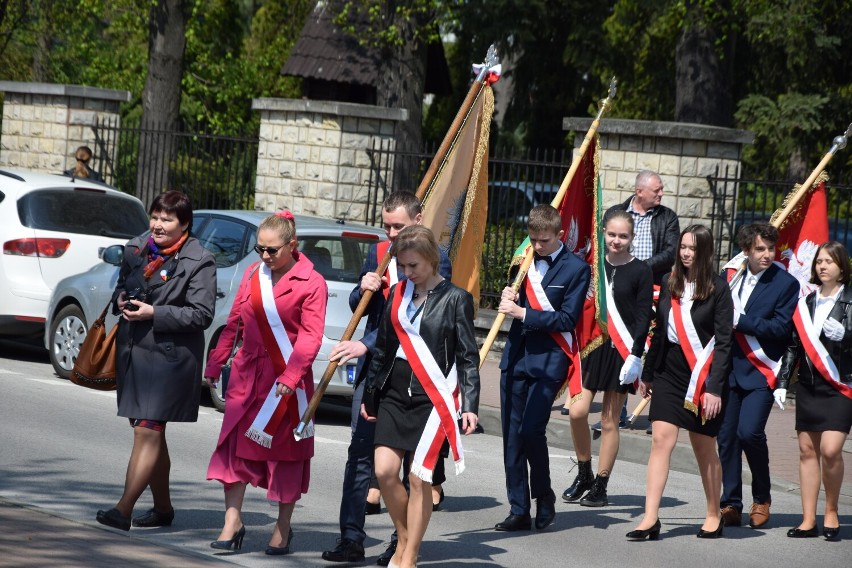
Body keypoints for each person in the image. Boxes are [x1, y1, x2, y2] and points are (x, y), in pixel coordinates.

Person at [322, 191, 452, 565]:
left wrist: (364, 344)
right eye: (387, 225)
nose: (391, 234)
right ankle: (351, 537)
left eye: (399, 226)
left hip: (413, 374)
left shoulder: (434, 258)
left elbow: (420, 323)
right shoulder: (379, 254)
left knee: (410, 467)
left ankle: (403, 541)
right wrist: (362, 289)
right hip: (374, 374)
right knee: (361, 453)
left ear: (418, 218)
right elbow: (363, 308)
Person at [202, 211, 327, 554]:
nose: (265, 257)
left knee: (286, 456)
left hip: (287, 381)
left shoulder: (312, 282)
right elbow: (235, 321)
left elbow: (311, 338)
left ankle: (283, 527)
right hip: (247, 374)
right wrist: (216, 362)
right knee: (233, 450)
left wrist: (290, 376)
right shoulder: (254, 274)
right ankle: (232, 522)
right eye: (260, 249)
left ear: (292, 245)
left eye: (272, 250)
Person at [95, 190, 216, 531]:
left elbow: (201, 314)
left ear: (185, 224)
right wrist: (122, 301)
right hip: (134, 351)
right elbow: (123, 286)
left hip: (171, 359)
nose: (158, 225)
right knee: (149, 432)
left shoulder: (200, 260)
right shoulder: (137, 248)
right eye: (155, 217)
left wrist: (154, 312)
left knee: (148, 431)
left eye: (167, 220)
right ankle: (163, 509)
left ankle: (123, 509)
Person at [360, 225, 480, 568]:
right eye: (403, 266)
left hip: (433, 397)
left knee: (418, 477)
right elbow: (382, 350)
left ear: (430, 260)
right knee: (384, 472)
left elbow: (468, 357)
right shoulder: (397, 293)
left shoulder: (457, 299)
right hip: (395, 393)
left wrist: (470, 406)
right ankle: (406, 536)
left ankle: (408, 555)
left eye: (413, 265)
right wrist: (371, 396)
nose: (407, 272)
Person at [626, 224, 733, 540]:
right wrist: (647, 374)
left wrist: (714, 389)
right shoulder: (668, 281)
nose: (686, 253)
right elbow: (659, 332)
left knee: (703, 448)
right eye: (683, 247)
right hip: (669, 372)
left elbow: (725, 342)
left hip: (702, 375)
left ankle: (714, 512)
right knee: (661, 440)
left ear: (705, 252)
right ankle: (650, 518)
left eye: (693, 249)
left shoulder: (718, 288)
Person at [496, 204, 591, 532]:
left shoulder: (577, 269)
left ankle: (544, 495)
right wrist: (508, 295)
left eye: (544, 241)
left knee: (531, 430)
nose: (537, 246)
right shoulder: (524, 261)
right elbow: (515, 299)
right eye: (533, 239)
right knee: (511, 437)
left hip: (549, 359)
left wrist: (523, 314)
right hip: (516, 356)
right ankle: (519, 508)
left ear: (560, 235)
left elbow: (567, 318)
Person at [563, 211, 653, 506]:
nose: (616, 241)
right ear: (603, 232)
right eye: (612, 234)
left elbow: (643, 318)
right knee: (577, 411)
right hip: (591, 347)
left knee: (609, 420)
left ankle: (601, 484)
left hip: (621, 352)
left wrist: (637, 356)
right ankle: (584, 472)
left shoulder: (641, 270)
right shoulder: (591, 265)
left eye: (623, 236)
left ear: (632, 238)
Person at [717, 223, 798, 529]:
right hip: (728, 370)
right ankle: (730, 503)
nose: (767, 255)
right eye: (760, 249)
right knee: (726, 437)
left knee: (749, 432)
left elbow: (781, 328)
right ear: (746, 251)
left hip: (761, 370)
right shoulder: (731, 276)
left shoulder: (785, 283)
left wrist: (744, 321)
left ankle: (762, 498)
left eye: (771, 249)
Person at [778, 241, 852, 541]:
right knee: (807, 450)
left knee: (830, 450)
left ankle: (831, 509)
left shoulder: (850, 300)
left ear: (842, 267)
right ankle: (808, 519)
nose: (822, 266)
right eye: (819, 261)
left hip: (840, 384)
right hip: (810, 386)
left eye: (829, 262)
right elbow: (794, 346)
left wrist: (847, 336)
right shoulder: (806, 302)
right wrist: (783, 382)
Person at [601, 170, 680, 432]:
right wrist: (628, 272)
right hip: (623, 287)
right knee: (621, 340)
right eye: (656, 189)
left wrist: (639, 269)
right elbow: (605, 245)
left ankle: (658, 410)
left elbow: (671, 253)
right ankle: (617, 410)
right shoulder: (616, 213)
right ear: (639, 192)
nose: (661, 193)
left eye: (661, 189)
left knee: (655, 345)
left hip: (656, 286)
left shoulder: (667, 217)